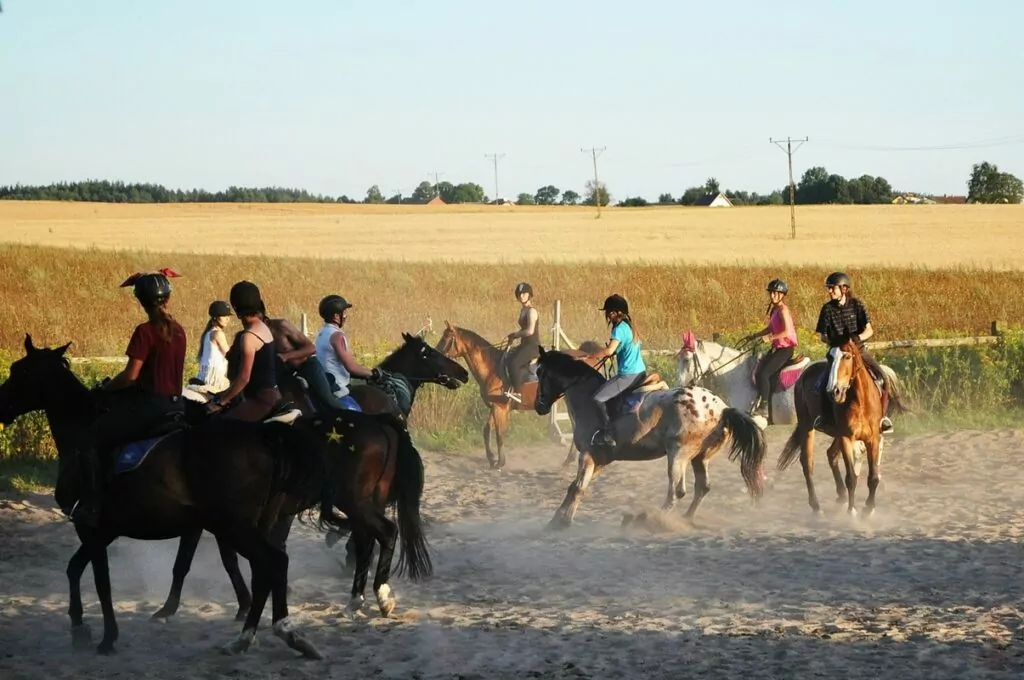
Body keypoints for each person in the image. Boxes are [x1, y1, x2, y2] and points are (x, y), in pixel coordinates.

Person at [71, 269, 188, 527]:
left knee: (88, 440)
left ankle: (91, 506)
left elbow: (130, 376)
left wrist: (105, 390)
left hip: (150, 407)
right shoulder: (179, 330)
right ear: (167, 299)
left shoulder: (145, 331)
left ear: (141, 302)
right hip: (177, 404)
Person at [813, 272, 893, 433]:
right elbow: (823, 336)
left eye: (832, 288)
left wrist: (856, 340)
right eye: (828, 289)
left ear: (843, 288)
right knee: (823, 383)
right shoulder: (827, 309)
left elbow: (869, 330)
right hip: (837, 352)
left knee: (882, 378)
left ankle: (883, 418)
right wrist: (835, 342)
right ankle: (825, 417)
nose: (829, 291)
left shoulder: (857, 305)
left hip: (859, 350)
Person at [207, 281, 281, 422]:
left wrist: (220, 402)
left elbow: (243, 378)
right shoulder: (262, 326)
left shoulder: (248, 337)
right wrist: (223, 395)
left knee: (218, 425)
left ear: (235, 307)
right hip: (271, 394)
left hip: (261, 400)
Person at [582, 294, 647, 448]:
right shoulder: (629, 326)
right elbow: (621, 349)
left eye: (610, 312)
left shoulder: (618, 329)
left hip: (628, 375)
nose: (608, 315)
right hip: (640, 372)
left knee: (597, 398)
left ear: (618, 312)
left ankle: (608, 434)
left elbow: (609, 351)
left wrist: (589, 357)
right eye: (608, 312)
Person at [261, 308, 347, 413]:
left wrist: (286, 356)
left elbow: (311, 348)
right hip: (286, 373)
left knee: (328, 401)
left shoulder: (282, 326)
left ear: (266, 321)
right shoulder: (254, 337)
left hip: (308, 366)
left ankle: (351, 417)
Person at [314, 294, 382, 411]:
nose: (346, 316)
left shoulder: (322, 332)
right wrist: (373, 373)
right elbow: (351, 367)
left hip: (324, 381)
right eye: (344, 313)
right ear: (336, 316)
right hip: (338, 385)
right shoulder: (337, 336)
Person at [742, 278, 798, 419]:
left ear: (782, 295)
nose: (772, 296)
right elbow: (770, 328)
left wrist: (770, 338)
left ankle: (765, 407)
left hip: (785, 349)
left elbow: (787, 331)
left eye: (775, 293)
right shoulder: (775, 310)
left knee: (764, 374)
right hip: (777, 348)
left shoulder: (783, 310)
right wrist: (754, 336)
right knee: (758, 370)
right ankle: (760, 401)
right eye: (771, 293)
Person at [503, 282, 541, 400]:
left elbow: (530, 331)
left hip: (532, 346)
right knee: (507, 358)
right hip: (524, 344)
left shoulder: (531, 311)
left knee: (515, 363)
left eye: (524, 294)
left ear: (529, 295)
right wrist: (512, 338)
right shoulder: (523, 311)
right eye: (520, 295)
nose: (522, 296)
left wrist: (515, 335)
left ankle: (519, 393)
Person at [190, 300, 232, 394]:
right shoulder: (218, 334)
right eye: (224, 316)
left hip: (204, 375)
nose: (227, 319)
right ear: (215, 317)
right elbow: (230, 355)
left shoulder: (207, 333)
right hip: (215, 378)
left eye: (228, 316)